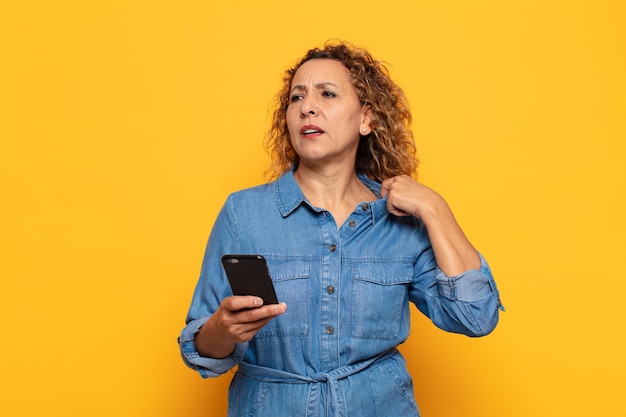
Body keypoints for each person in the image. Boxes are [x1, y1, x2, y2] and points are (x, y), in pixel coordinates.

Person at [178, 40, 503, 416]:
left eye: (327, 94)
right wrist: (221, 329)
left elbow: (476, 317)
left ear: (366, 119)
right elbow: (200, 353)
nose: (307, 107)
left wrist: (436, 209)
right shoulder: (244, 212)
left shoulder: (399, 220)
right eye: (296, 98)